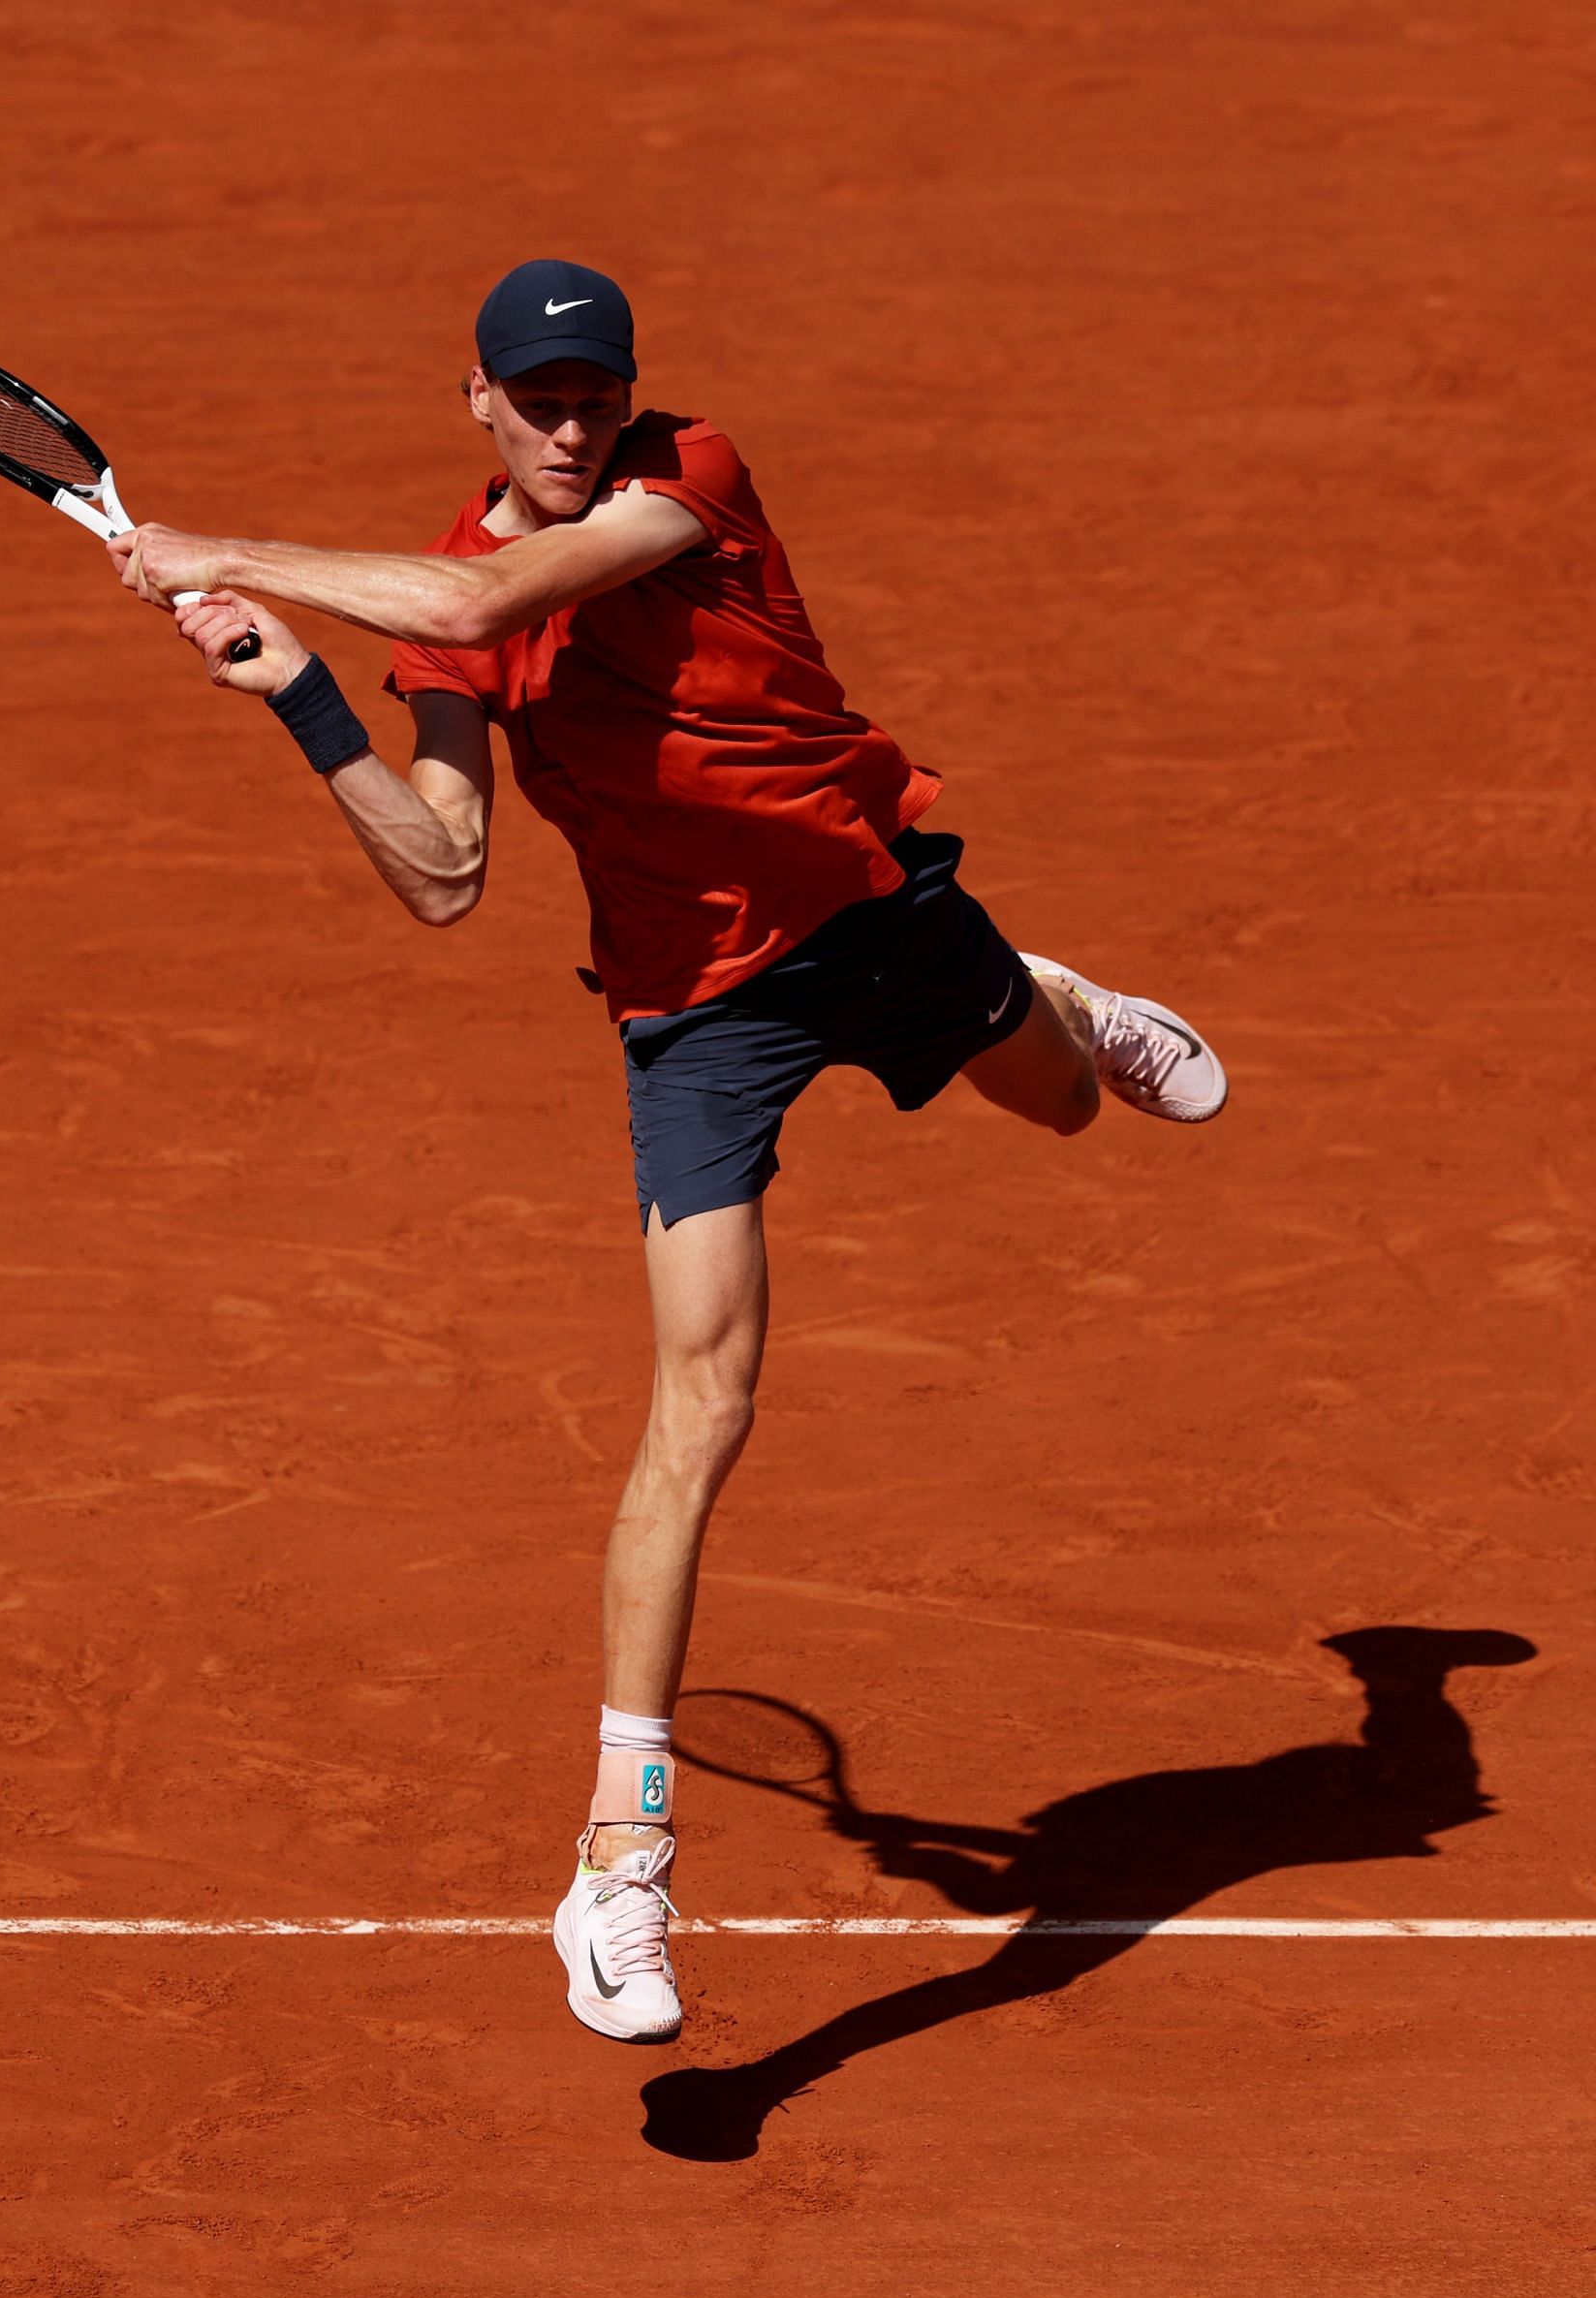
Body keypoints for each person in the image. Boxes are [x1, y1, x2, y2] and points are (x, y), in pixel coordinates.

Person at [109, 258, 1229, 2047]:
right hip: (693, 1012)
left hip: (862, 895)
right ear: (472, 399)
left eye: (593, 392)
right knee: (703, 1401)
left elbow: (484, 591)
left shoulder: (683, 479)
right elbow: (445, 867)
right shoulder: (448, 608)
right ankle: (618, 1861)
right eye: (537, 398)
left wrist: (220, 548)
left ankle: (1050, 997)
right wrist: (300, 697)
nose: (571, 423)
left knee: (1074, 1103)